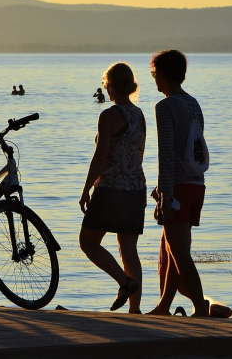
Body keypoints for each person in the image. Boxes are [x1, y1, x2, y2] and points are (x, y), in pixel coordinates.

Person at [79, 62, 146, 313]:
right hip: (136, 188)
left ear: (111, 86)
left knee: (88, 242)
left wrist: (86, 188)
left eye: (105, 83)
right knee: (129, 249)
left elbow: (100, 156)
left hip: (112, 189)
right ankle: (135, 309)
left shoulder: (109, 115)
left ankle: (125, 282)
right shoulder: (139, 114)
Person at [148, 49, 209, 317]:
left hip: (179, 189)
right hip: (197, 185)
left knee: (180, 253)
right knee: (176, 250)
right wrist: (164, 188)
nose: (154, 79)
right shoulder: (193, 103)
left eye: (154, 74)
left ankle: (201, 306)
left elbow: (166, 154)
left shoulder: (165, 106)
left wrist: (165, 194)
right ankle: (163, 306)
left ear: (162, 73)